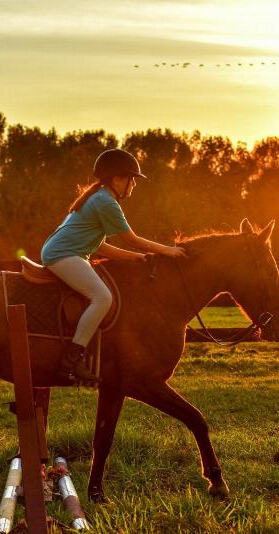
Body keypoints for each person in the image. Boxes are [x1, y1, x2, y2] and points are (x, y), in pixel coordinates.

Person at [41, 148, 186, 384]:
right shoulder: (106, 202)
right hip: (63, 255)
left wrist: (138, 258)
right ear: (118, 178)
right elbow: (132, 239)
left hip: (65, 254)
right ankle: (71, 360)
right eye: (132, 179)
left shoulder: (98, 197)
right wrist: (166, 250)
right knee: (102, 298)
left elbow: (100, 247)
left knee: (101, 295)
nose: (134, 185)